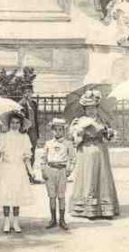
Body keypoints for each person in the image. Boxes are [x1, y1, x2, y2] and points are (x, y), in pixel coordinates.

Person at [69, 89, 119, 219]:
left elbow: (108, 137)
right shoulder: (79, 121)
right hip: (86, 151)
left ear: (97, 108)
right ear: (84, 109)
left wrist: (108, 133)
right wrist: (80, 132)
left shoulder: (101, 120)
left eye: (93, 108)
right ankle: (89, 209)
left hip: (101, 150)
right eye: (88, 108)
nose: (91, 111)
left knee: (103, 177)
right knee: (89, 177)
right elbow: (74, 138)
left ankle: (105, 209)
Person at [0, 112, 33, 233]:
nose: (15, 125)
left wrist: (30, 170)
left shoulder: (24, 138)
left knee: (16, 195)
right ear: (9, 124)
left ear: (21, 124)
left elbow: (27, 156)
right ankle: (6, 222)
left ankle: (15, 221)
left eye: (17, 123)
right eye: (12, 123)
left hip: (18, 169)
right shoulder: (2, 137)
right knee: (5, 195)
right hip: (6, 169)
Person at [40, 117, 75, 230]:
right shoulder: (48, 143)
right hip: (50, 170)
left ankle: (62, 220)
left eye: (60, 129)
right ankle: (53, 219)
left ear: (63, 131)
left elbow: (73, 159)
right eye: (56, 129)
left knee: (61, 196)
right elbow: (43, 159)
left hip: (62, 170)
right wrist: (43, 170)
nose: (58, 132)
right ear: (52, 130)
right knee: (51, 196)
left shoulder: (68, 144)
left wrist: (69, 170)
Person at [19, 85, 40, 181]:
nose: (28, 93)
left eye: (30, 91)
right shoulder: (21, 104)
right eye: (26, 91)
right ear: (23, 93)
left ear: (32, 92)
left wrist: (37, 133)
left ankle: (30, 175)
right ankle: (23, 176)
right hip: (25, 132)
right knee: (25, 153)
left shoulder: (34, 103)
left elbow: (35, 118)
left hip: (33, 131)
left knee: (32, 154)